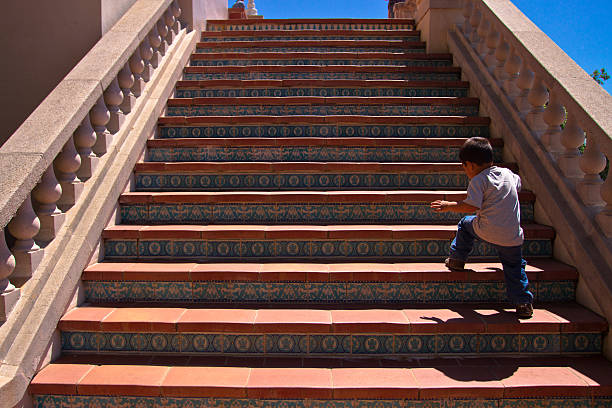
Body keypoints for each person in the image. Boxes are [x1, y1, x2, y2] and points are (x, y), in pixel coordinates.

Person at [430, 137, 534, 318]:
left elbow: (471, 206)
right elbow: (518, 183)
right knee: (515, 266)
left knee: (465, 223)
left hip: (486, 229)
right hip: (512, 235)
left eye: (463, 166)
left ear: (469, 165)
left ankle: (457, 259)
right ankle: (523, 303)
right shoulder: (507, 173)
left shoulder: (479, 180)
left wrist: (449, 205)